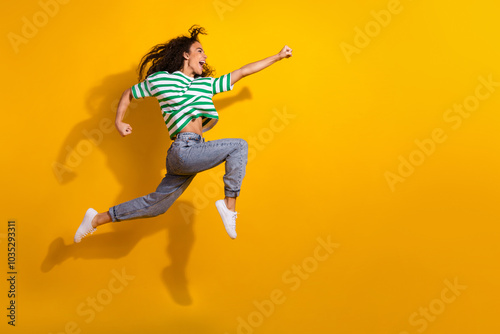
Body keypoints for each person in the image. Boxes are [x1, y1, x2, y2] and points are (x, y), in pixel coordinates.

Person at [74, 25, 292, 243]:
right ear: (186, 54)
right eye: (199, 51)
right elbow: (129, 92)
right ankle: (229, 206)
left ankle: (96, 219)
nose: (205, 56)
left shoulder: (205, 85)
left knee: (157, 206)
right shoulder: (162, 80)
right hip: (183, 149)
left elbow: (243, 71)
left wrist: (278, 56)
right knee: (239, 146)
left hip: (192, 151)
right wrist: (119, 122)